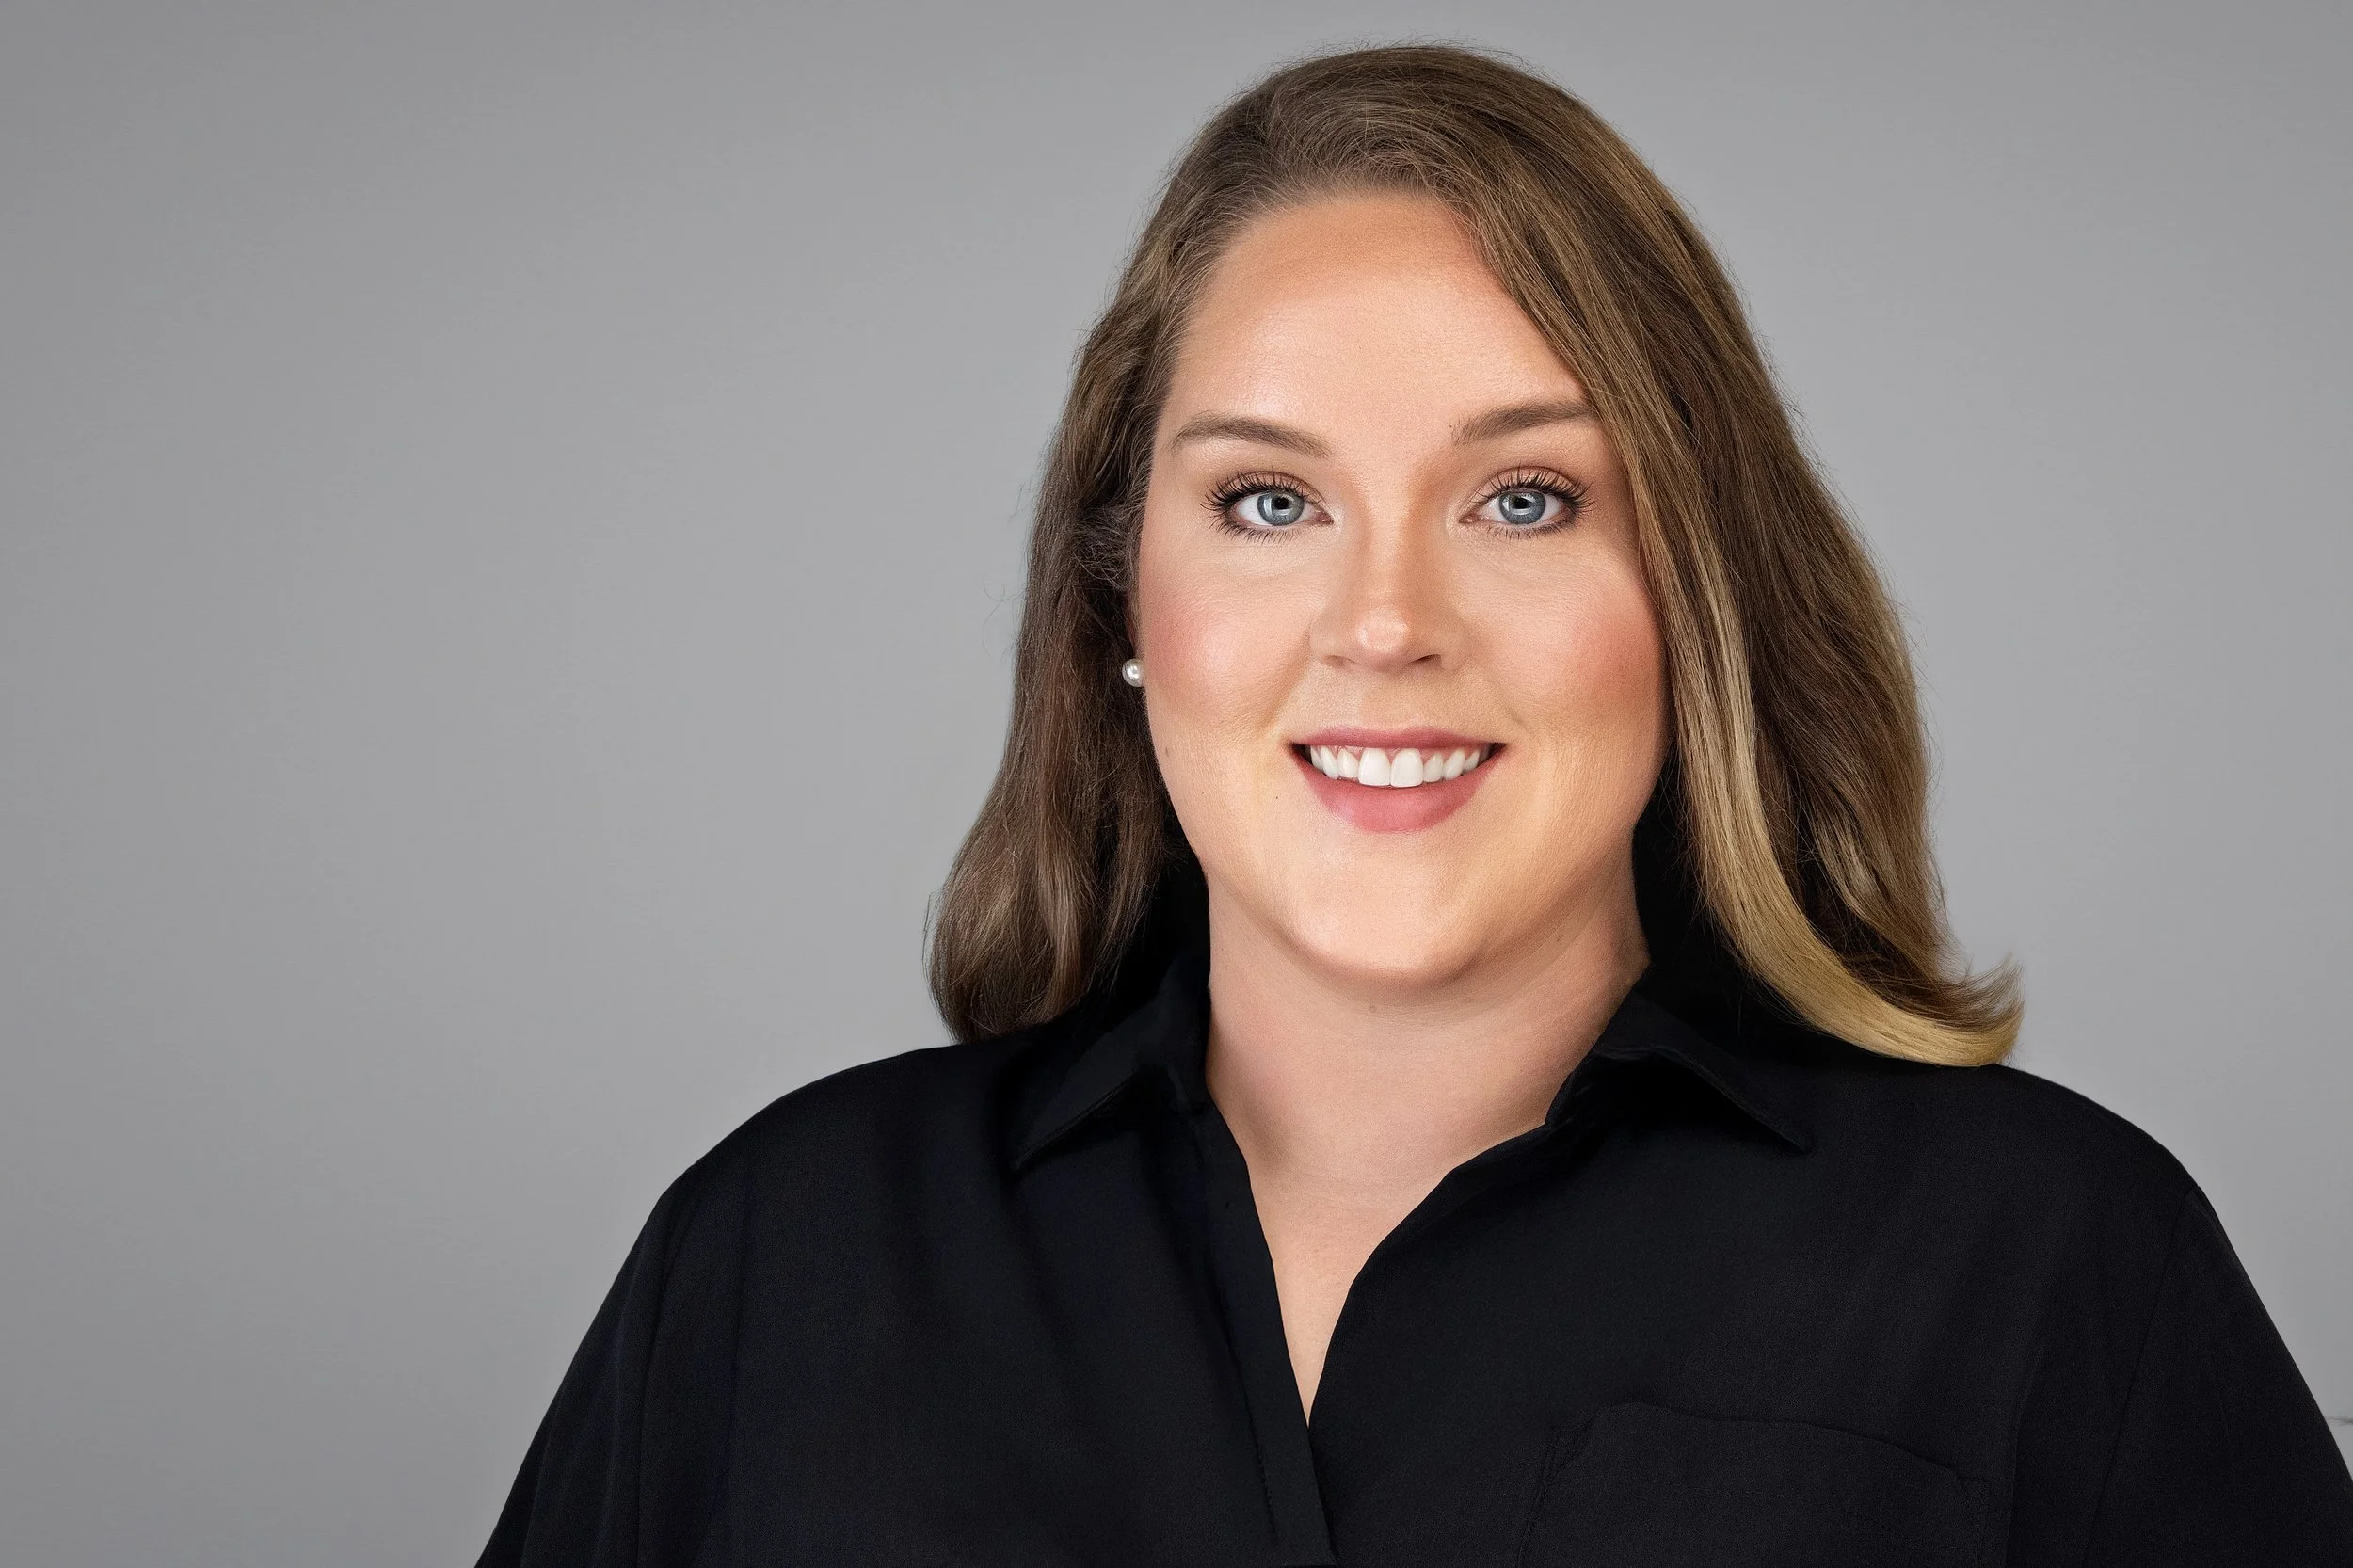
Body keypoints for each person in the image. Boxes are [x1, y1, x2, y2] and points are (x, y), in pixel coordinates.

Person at [476, 44, 2353, 1567]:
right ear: (1121, 603)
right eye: (1268, 503)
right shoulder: (782, 1249)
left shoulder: (2045, 1257)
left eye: (1522, 498)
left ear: (1688, 594)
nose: (1383, 625)